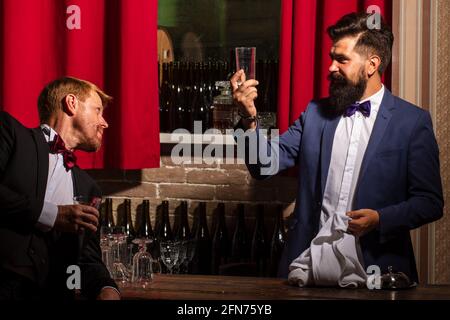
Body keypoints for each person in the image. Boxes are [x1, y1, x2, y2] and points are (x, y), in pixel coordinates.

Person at [231, 12, 443, 287]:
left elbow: (430, 203)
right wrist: (247, 119)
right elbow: (262, 166)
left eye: (342, 60)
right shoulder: (315, 113)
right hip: (305, 270)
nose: (331, 67)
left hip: (377, 272)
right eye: (332, 58)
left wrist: (380, 219)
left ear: (372, 65)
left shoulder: (413, 122)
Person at [0, 77, 120, 299]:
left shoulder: (89, 188)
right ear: (72, 103)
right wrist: (53, 215)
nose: (104, 123)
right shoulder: (10, 133)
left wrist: (106, 287)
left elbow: (86, 260)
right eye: (97, 110)